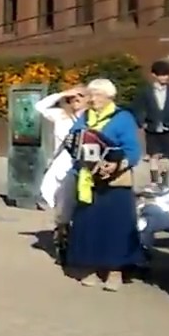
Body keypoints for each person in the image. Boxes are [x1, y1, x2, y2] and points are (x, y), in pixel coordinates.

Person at [65, 78, 143, 291]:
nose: (93, 99)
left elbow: (133, 150)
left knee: (115, 227)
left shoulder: (123, 117)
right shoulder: (85, 117)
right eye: (91, 95)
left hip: (115, 180)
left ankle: (115, 271)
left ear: (109, 97)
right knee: (89, 224)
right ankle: (90, 267)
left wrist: (117, 164)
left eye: (97, 95)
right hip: (88, 178)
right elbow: (73, 139)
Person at [37, 86, 87, 259]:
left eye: (81, 96)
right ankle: (62, 243)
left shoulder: (92, 117)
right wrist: (63, 93)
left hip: (84, 163)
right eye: (73, 97)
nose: (76, 100)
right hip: (63, 164)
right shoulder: (60, 115)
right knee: (63, 206)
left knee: (83, 205)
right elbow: (40, 107)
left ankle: (81, 241)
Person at [132, 60, 169, 189]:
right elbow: (137, 108)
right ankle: (155, 181)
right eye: (161, 75)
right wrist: (141, 123)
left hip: (168, 128)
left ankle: (167, 179)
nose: (164, 77)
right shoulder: (146, 91)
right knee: (153, 156)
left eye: (167, 75)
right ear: (154, 75)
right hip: (152, 128)